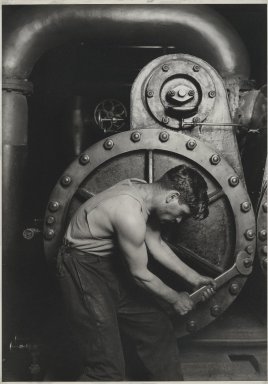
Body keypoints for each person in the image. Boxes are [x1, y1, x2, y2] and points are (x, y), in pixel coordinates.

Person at [56, 164, 216, 381]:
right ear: (172, 196)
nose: (178, 221)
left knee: (156, 327)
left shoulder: (142, 191)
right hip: (82, 268)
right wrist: (175, 298)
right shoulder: (128, 212)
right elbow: (140, 274)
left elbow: (156, 242)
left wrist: (194, 278)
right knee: (107, 368)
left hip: (107, 265)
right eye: (182, 214)